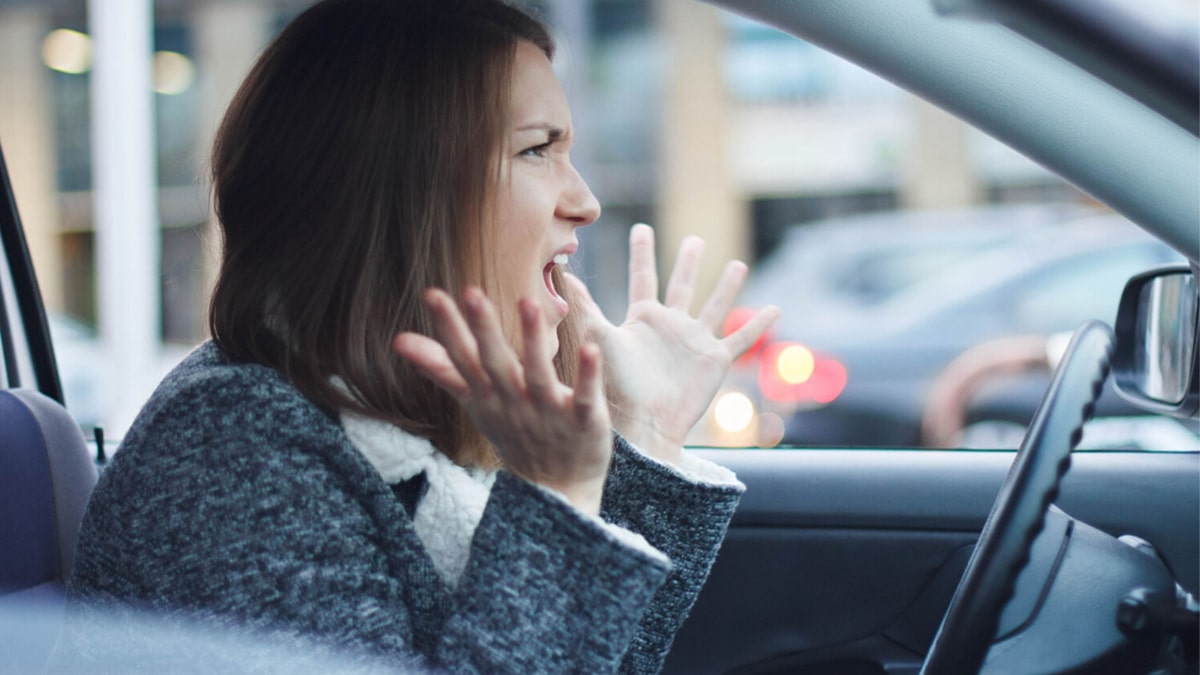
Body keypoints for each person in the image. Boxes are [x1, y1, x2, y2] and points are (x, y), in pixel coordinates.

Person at [58, 0, 778, 672]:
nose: (585, 201)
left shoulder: (394, 417)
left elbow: (590, 656)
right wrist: (556, 498)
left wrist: (641, 434)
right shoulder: (232, 454)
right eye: (538, 151)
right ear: (409, 188)